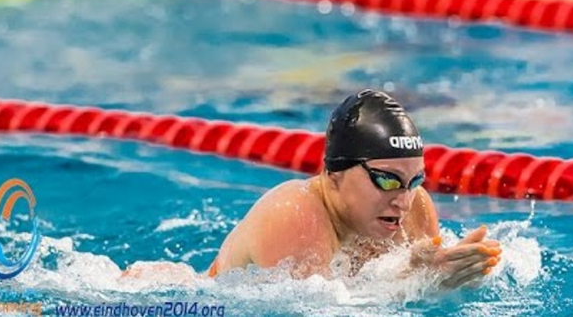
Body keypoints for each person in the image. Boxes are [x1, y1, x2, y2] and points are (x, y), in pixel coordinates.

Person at [124, 89, 501, 288]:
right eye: (386, 180)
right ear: (333, 173)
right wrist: (417, 282)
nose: (403, 200)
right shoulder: (296, 213)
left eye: (414, 181)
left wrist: (447, 279)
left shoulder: (414, 207)